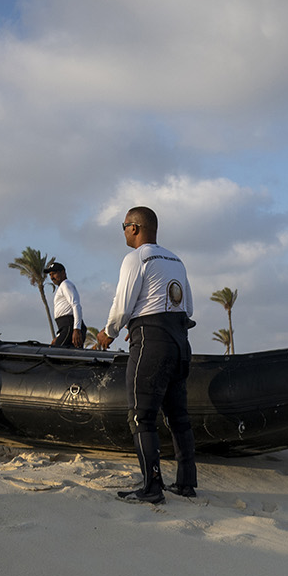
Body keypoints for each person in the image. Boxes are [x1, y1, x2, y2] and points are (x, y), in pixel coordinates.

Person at [100, 206, 197, 503]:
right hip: (180, 342)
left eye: (124, 226)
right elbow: (188, 307)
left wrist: (108, 333)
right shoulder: (176, 260)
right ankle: (186, 484)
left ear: (135, 228)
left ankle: (152, 487)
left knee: (141, 416)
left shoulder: (136, 258)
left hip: (151, 344)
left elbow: (122, 305)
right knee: (178, 416)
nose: (124, 232)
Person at [47, 262, 86, 348]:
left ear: (63, 273)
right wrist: (59, 336)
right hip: (65, 327)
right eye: (50, 275)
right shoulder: (62, 286)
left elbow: (76, 305)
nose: (52, 277)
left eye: (54, 273)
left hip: (70, 325)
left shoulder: (66, 284)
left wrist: (76, 329)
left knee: (55, 352)